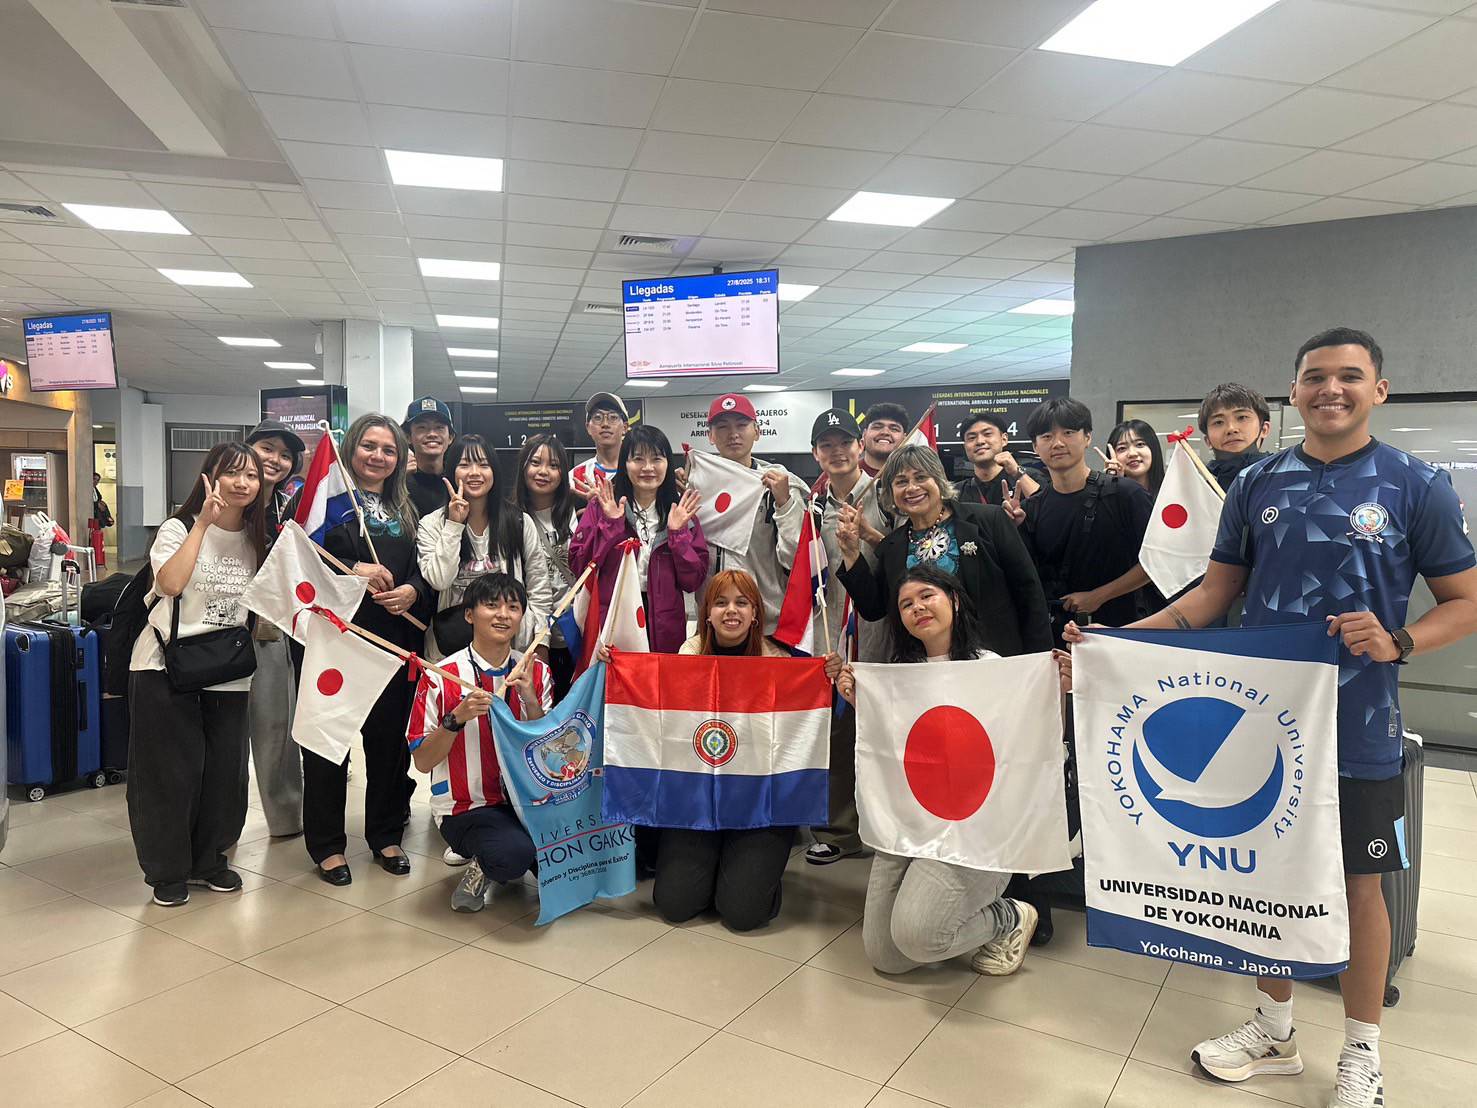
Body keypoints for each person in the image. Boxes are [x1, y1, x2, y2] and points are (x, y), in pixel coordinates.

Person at [1067, 327, 1477, 1108]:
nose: (1330, 389)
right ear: (1292, 393)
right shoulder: (1258, 484)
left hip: (1358, 725)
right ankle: (1274, 1031)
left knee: (1360, 887)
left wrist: (1398, 641)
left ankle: (1361, 1052)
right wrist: (1111, 645)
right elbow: (1211, 594)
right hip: (1265, 721)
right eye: (1314, 376)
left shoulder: (1414, 483)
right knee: (1265, 877)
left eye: (1348, 376)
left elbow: (1465, 601)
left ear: (1377, 390)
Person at [835, 565, 1058, 976]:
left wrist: (1057, 686)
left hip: (973, 832)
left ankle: (1008, 916)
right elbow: (891, 749)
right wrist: (859, 699)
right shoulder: (899, 675)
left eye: (927, 596)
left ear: (953, 599)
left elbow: (1027, 741)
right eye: (906, 604)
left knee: (918, 937)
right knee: (886, 956)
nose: (917, 607)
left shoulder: (991, 667)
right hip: (909, 824)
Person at [651, 570, 836, 931]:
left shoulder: (782, 662)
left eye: (741, 603)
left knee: (743, 913)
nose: (731, 611)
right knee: (676, 904)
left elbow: (812, 724)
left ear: (755, 614)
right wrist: (613, 667)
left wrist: (826, 679)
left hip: (760, 801)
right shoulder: (686, 658)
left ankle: (748, 871)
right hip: (699, 798)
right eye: (720, 603)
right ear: (707, 614)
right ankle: (718, 865)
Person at [126, 443, 267, 906]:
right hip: (165, 666)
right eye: (233, 473)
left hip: (228, 670)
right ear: (211, 477)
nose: (243, 483)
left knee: (225, 774)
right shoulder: (178, 527)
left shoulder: (257, 539)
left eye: (252, 475)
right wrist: (203, 524)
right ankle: (167, 871)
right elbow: (169, 584)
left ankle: (209, 860)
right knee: (168, 775)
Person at [304, 414, 429, 886]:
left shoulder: (408, 508)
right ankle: (327, 845)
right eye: (369, 446)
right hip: (336, 639)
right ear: (351, 447)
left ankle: (385, 834)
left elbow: (425, 568)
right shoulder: (327, 500)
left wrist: (414, 591)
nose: (378, 456)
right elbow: (301, 557)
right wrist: (353, 569)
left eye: (389, 449)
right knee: (328, 743)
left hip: (394, 641)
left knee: (389, 743)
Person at [406, 573, 552, 913]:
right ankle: (481, 865)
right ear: (469, 615)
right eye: (491, 605)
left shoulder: (537, 672)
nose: (503, 615)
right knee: (512, 855)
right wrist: (455, 719)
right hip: (467, 807)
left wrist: (531, 700)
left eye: (513, 607)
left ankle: (512, 848)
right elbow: (423, 762)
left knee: (564, 859)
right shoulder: (440, 675)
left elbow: (548, 752)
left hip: (527, 801)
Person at [836, 443, 1053, 659]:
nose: (912, 488)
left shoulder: (989, 520)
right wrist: (851, 554)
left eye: (921, 477)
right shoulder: (893, 546)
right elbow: (873, 609)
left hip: (995, 662)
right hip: (925, 667)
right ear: (891, 493)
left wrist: (1040, 662)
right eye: (901, 482)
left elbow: (1029, 594)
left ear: (939, 480)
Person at [1010, 397, 1153, 646]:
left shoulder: (1126, 495)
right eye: (1046, 436)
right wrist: (1013, 529)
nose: (1057, 443)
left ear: (1087, 437)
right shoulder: (1032, 508)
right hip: (1056, 639)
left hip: (1120, 631)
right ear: (1035, 446)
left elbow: (1155, 563)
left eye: (1068, 432)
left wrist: (1098, 596)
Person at [803, 407, 875, 866]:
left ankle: (890, 827)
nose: (837, 452)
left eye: (844, 443)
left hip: (882, 630)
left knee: (885, 732)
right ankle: (840, 831)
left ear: (859, 446)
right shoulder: (812, 507)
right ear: (816, 454)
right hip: (832, 635)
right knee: (838, 734)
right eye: (826, 445)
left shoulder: (884, 495)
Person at [569, 424, 707, 655]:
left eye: (657, 459)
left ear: (667, 463)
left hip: (665, 627)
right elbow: (579, 566)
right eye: (638, 459)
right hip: (614, 619)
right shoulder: (604, 506)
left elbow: (693, 581)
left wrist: (678, 535)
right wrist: (610, 525)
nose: (648, 467)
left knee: (659, 678)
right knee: (615, 678)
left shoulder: (681, 512)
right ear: (625, 463)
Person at [417, 433, 551, 660]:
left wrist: (541, 640)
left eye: (483, 464)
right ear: (451, 471)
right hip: (451, 649)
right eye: (464, 465)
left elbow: (539, 586)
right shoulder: (432, 524)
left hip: (511, 648)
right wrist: (454, 525)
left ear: (494, 471)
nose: (474, 472)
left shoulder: (518, 521)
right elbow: (439, 580)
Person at [693, 393, 808, 635]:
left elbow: (794, 558)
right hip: (711, 622)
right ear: (710, 436)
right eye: (723, 427)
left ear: (757, 431)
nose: (733, 434)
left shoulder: (781, 486)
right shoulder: (695, 485)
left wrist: (785, 504)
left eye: (741, 425)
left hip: (765, 623)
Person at [244, 419, 307, 838]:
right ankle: (218, 826)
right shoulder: (221, 502)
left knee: (275, 727)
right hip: (216, 632)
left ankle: (285, 818)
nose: (276, 460)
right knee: (225, 735)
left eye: (285, 455)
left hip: (270, 632)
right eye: (267, 448)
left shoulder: (288, 510)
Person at [516, 432, 580, 699]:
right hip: (531, 635)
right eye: (535, 463)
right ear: (523, 468)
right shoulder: (511, 517)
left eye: (553, 465)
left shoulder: (577, 512)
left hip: (575, 631)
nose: (543, 472)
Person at [1200, 382, 1274, 491]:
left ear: (1264, 429)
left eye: (1242, 417)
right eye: (1218, 422)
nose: (1231, 428)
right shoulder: (1200, 490)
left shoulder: (1285, 479)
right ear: (1208, 441)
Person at [957, 412, 1040, 506]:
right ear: (965, 446)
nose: (980, 441)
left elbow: (1045, 508)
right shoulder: (955, 493)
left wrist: (1018, 473)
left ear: (1004, 439)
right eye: (972, 438)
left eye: (987, 434)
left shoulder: (1031, 477)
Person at [402, 396, 455, 518]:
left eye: (439, 427)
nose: (432, 434)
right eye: (422, 427)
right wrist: (397, 480)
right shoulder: (398, 481)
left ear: (450, 437)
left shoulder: (457, 479)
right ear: (408, 437)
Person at [570, 392, 628, 494]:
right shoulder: (575, 477)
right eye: (598, 417)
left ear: (625, 427)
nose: (605, 424)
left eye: (613, 417)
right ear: (588, 427)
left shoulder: (639, 471)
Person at [1104, 419, 1165, 496]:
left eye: (1139, 444)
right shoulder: (1105, 497)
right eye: (1122, 448)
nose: (1132, 453)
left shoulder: (1172, 491)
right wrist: (1116, 484)